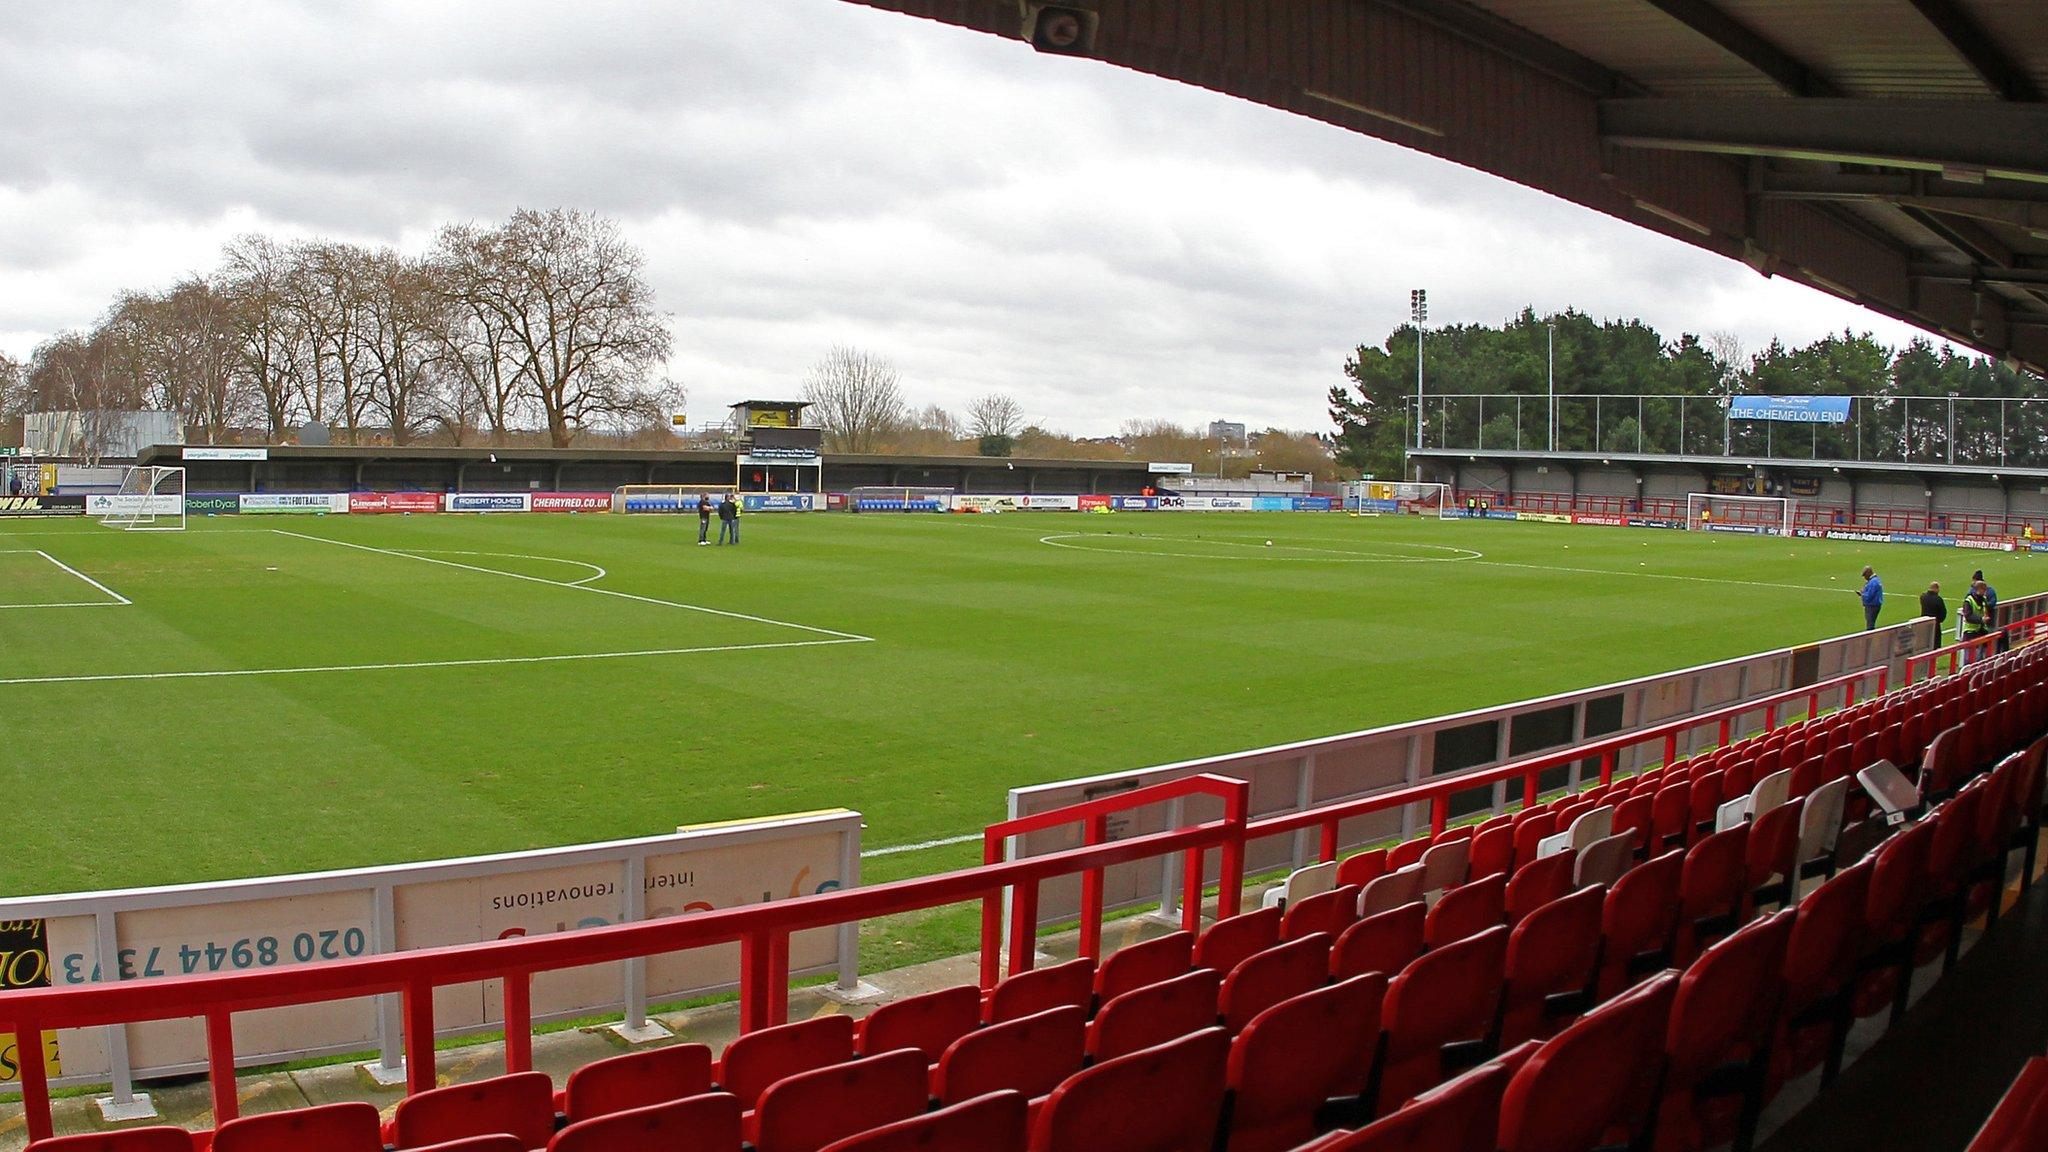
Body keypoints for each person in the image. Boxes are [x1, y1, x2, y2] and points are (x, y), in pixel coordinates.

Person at [1960, 580, 1992, 661]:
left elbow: (1986, 611)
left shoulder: (1984, 599)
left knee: (1980, 659)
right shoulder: (1969, 600)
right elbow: (1968, 616)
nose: (1985, 592)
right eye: (1984, 590)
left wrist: (1986, 618)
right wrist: (1981, 620)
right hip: (1970, 633)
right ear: (1979, 589)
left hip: (1982, 632)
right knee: (1969, 659)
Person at [1858, 566, 1883, 631]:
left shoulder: (1873, 582)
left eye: (1865, 575)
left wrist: (1862, 594)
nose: (1864, 577)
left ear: (1868, 573)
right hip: (1874, 605)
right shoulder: (1875, 580)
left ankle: (1870, 638)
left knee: (1870, 625)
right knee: (1870, 623)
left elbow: (1869, 596)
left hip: (1872, 606)